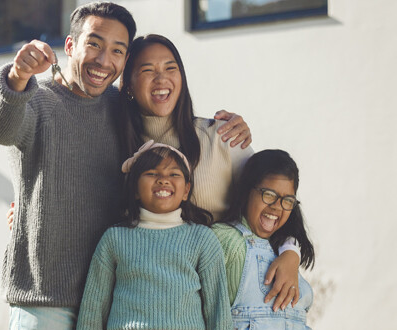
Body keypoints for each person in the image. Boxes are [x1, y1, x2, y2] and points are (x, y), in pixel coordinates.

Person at [0, 3, 249, 330]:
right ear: (71, 45)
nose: (104, 60)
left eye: (118, 50)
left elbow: (165, 121)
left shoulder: (121, 113)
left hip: (108, 304)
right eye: (95, 43)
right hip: (46, 294)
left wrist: (232, 126)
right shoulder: (36, 101)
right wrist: (18, 75)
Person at [117, 34, 303, 311]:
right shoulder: (121, 153)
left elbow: (276, 200)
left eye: (171, 68)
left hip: (235, 302)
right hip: (165, 306)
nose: (161, 79)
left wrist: (291, 252)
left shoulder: (220, 137)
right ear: (128, 85)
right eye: (147, 71)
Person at [70, 142, 235, 330]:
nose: (163, 180)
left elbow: (218, 311)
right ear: (135, 189)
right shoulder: (115, 239)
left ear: (186, 190)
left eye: (173, 174)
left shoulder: (202, 239)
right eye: (152, 174)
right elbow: (93, 308)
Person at [212, 150, 333, 330]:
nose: (277, 207)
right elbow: (210, 316)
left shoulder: (284, 247)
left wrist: (291, 251)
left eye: (287, 200)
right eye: (269, 195)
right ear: (247, 190)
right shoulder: (226, 240)